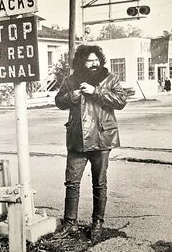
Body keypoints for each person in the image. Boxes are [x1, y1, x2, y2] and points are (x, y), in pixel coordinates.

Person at [54, 44, 127, 240]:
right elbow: (59, 101)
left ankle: (97, 223)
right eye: (89, 60)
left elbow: (120, 102)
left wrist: (95, 91)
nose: (94, 64)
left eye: (97, 60)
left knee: (99, 183)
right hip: (77, 138)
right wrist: (72, 96)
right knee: (71, 183)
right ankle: (70, 223)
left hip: (102, 138)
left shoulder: (110, 79)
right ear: (81, 62)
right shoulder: (71, 80)